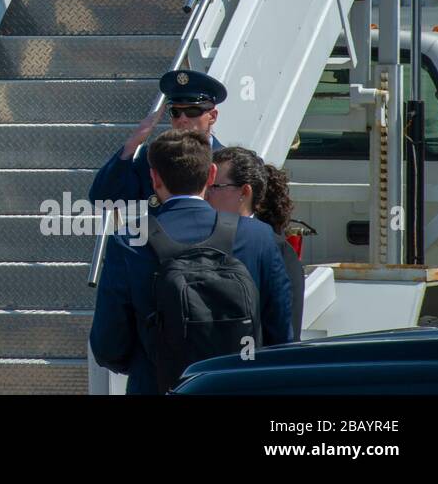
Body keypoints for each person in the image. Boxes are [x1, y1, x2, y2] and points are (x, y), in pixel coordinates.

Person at [90, 129, 294, 394]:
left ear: (154, 178)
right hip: (239, 386)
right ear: (210, 175)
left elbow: (108, 345)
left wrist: (152, 362)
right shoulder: (258, 236)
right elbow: (281, 336)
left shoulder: (129, 240)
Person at [209, 146, 305, 341]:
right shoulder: (202, 241)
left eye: (215, 187)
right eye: (205, 185)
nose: (206, 194)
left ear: (245, 192)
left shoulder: (278, 250)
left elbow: (286, 334)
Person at [89, 68, 225, 205]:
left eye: (192, 111)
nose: (182, 119)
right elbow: (104, 199)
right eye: (176, 112)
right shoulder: (153, 158)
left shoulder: (227, 162)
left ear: (212, 116)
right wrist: (132, 143)